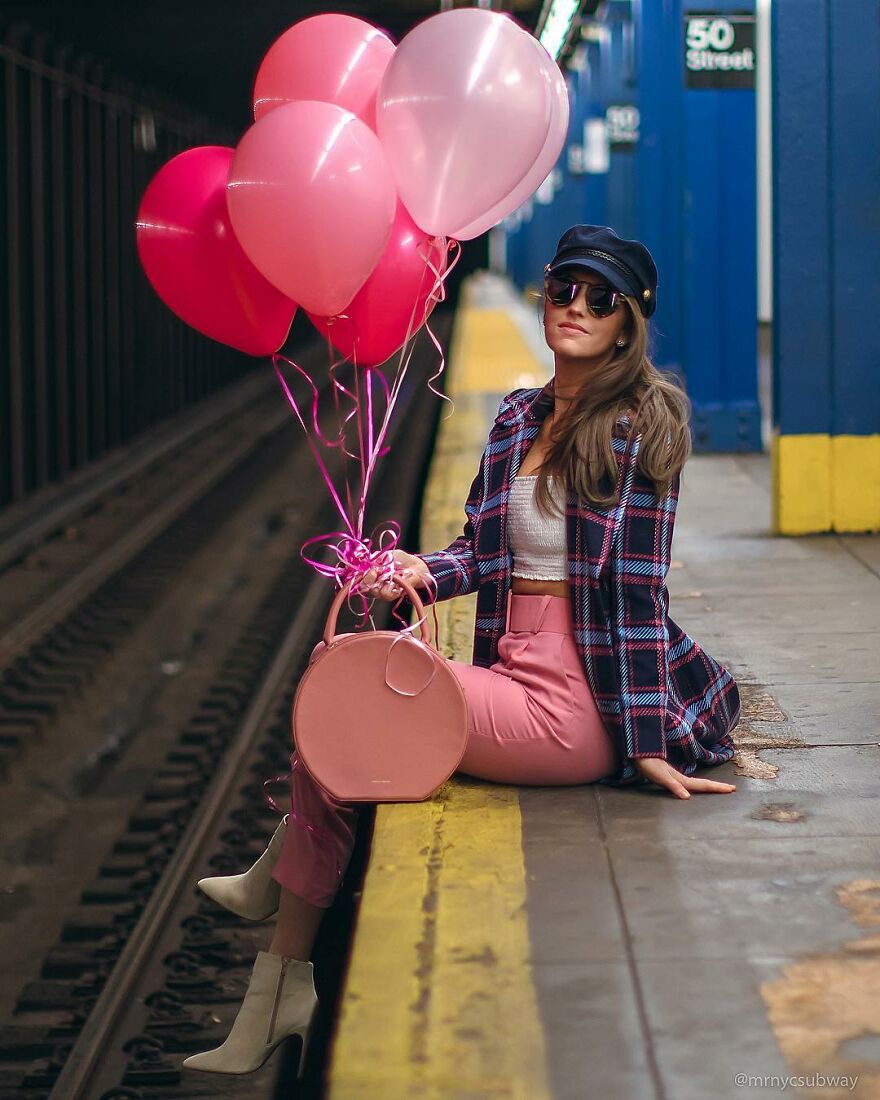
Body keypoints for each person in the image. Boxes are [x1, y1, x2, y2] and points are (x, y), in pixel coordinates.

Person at [182, 224, 741, 1077]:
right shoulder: (521, 415)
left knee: (352, 697)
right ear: (545, 294)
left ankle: (280, 937)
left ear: (629, 324)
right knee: (345, 684)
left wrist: (649, 744)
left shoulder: (640, 428)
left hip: (575, 703)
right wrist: (416, 569)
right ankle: (282, 976)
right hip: (509, 670)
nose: (578, 310)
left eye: (603, 300)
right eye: (566, 290)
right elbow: (481, 553)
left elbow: (635, 596)